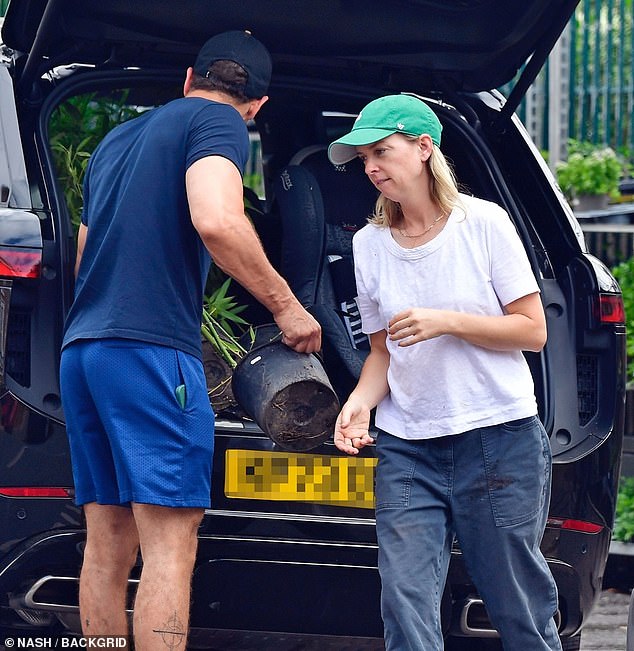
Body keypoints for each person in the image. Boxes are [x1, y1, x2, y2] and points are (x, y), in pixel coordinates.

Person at [59, 30, 321, 649]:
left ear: (187, 77)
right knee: (170, 545)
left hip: (86, 352)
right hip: (151, 355)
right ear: (256, 106)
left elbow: (83, 251)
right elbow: (217, 218)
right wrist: (287, 308)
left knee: (106, 545)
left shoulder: (118, 140)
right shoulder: (220, 124)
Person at [328, 94, 561, 651]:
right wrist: (359, 403)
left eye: (381, 151)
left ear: (424, 147)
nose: (371, 168)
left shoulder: (483, 224)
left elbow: (533, 330)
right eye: (363, 159)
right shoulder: (369, 245)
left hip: (498, 440)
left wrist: (449, 322)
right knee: (404, 604)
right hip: (408, 445)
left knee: (517, 607)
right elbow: (383, 352)